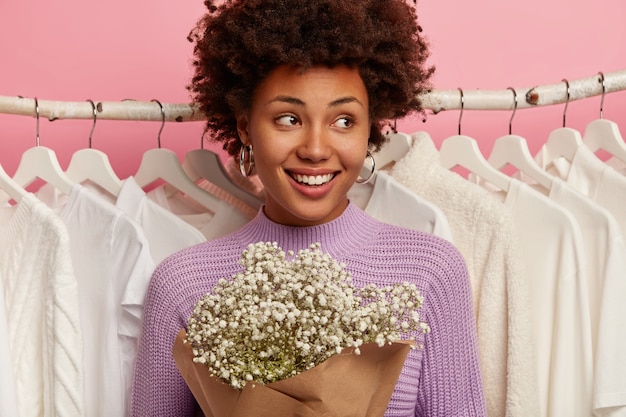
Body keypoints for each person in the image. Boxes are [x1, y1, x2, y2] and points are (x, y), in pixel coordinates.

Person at [131, 0, 488, 416]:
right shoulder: (181, 285)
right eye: (288, 119)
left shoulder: (431, 273)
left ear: (371, 126)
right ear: (245, 125)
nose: (316, 149)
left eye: (343, 121)